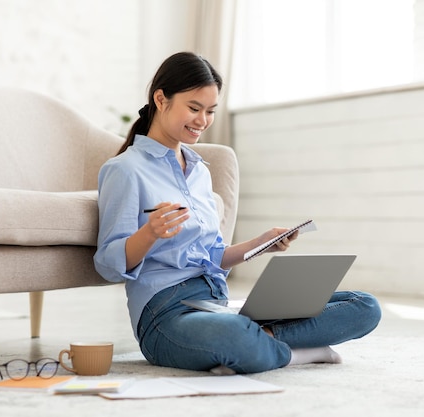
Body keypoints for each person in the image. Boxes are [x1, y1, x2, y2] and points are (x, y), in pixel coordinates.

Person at [94, 51, 381, 375]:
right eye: (194, 108)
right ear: (161, 99)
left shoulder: (199, 172)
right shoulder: (125, 170)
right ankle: (297, 351)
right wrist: (149, 234)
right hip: (165, 315)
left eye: (210, 111)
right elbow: (108, 264)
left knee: (364, 306)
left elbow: (212, 255)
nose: (202, 120)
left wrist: (260, 244)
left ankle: (261, 343)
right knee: (234, 336)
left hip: (217, 304)